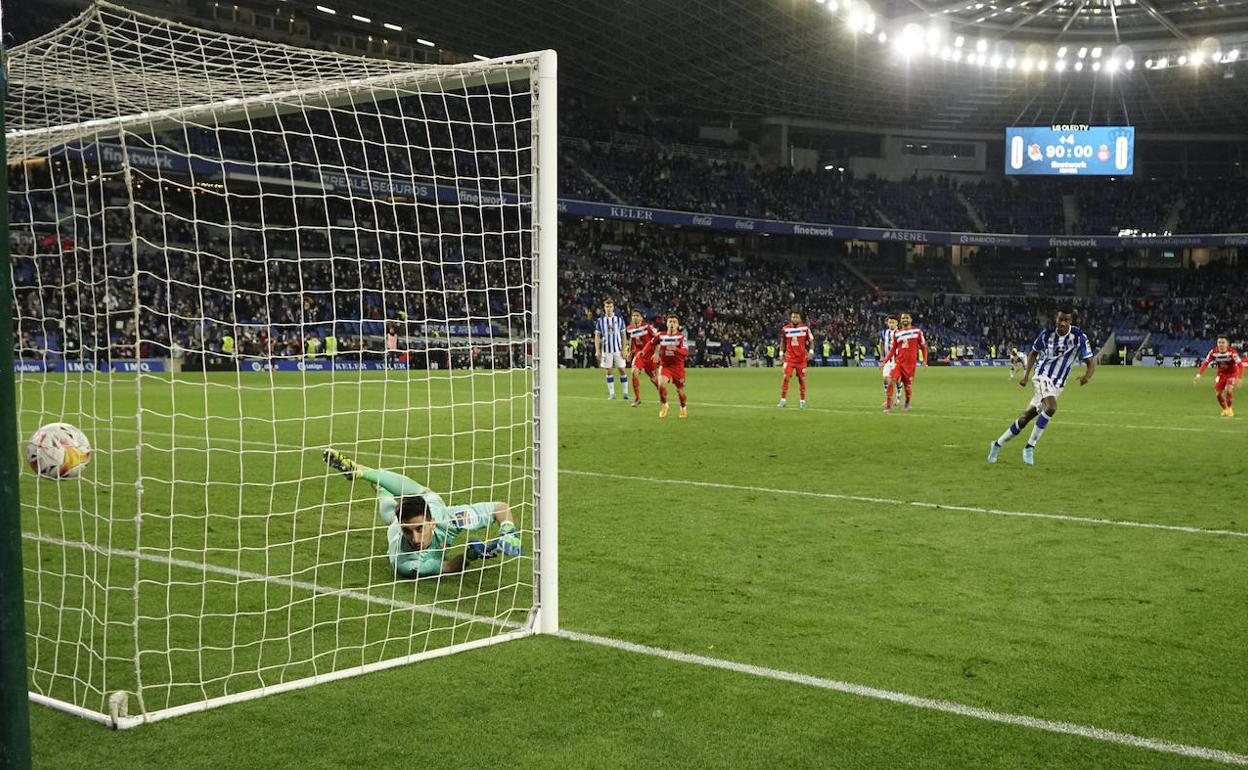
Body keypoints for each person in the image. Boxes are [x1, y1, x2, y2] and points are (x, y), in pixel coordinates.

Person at [320, 449, 521, 577]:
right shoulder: (407, 563)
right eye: (408, 531)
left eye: (419, 529)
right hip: (395, 522)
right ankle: (378, 487)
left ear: (432, 523)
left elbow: (500, 508)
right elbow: (448, 566)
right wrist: (468, 556)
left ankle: (363, 473)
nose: (415, 539)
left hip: (429, 501)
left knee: (419, 492)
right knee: (389, 511)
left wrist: (508, 530)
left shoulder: (448, 518)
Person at [988, 308, 1096, 466]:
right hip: (1042, 376)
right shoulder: (1046, 334)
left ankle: (997, 444)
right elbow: (1033, 353)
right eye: (1060, 320)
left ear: (1071, 322)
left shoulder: (1079, 337)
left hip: (1059, 384)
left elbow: (1090, 361)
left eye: (1066, 320)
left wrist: (1087, 376)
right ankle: (1029, 447)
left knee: (1026, 418)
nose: (1062, 323)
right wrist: (1026, 376)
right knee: (1051, 407)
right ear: (1056, 319)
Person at [880, 312, 929, 413]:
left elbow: (924, 347)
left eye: (906, 318)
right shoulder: (897, 334)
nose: (904, 320)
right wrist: (884, 361)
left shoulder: (917, 332)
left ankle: (907, 402)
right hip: (898, 363)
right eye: (903, 318)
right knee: (890, 380)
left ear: (911, 320)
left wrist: (924, 361)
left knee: (907, 386)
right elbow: (893, 349)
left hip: (910, 365)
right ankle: (888, 406)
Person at [642, 314, 688, 418]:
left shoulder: (681, 337)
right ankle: (664, 405)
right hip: (665, 365)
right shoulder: (661, 335)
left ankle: (683, 407)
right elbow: (650, 343)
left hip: (678, 367)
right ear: (667, 323)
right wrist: (643, 351)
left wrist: (676, 349)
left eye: (674, 322)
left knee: (680, 391)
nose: (672, 324)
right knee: (661, 384)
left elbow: (686, 352)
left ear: (678, 325)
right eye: (670, 321)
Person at [1193, 336, 1243, 417]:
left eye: (1223, 342)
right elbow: (1205, 363)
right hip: (1220, 375)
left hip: (1231, 374)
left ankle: (1230, 409)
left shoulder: (1232, 352)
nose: (1221, 344)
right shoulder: (1213, 352)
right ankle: (1225, 409)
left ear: (1227, 344)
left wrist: (1239, 378)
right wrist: (1198, 375)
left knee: (1228, 389)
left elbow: (1240, 365)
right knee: (1218, 394)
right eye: (1219, 342)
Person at [777, 312, 813, 408]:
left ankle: (802, 401)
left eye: (797, 317)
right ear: (790, 318)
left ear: (800, 318)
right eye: (793, 317)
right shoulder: (785, 329)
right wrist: (781, 353)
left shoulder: (805, 329)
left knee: (801, 379)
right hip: (789, 358)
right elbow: (782, 342)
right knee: (786, 377)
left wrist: (811, 352)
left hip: (801, 359)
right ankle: (783, 400)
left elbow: (811, 341)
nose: (795, 319)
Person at [594, 299, 628, 400]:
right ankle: (612, 394)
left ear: (613, 308)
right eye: (607, 307)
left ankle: (625, 394)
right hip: (606, 350)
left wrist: (624, 349)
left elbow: (623, 335)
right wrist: (597, 350)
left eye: (610, 307)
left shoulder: (619, 319)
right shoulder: (600, 321)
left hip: (618, 349)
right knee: (609, 371)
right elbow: (597, 336)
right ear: (604, 308)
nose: (609, 308)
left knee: (622, 369)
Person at [626, 309, 660, 407]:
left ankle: (662, 395)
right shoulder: (630, 328)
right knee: (634, 372)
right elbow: (632, 340)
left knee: (654, 379)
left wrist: (657, 353)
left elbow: (658, 338)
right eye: (633, 316)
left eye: (637, 315)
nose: (635, 317)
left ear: (641, 317)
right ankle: (637, 398)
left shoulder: (648, 327)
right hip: (639, 355)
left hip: (650, 356)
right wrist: (630, 352)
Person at [879, 316, 900, 407]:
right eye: (889, 322)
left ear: (897, 323)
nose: (891, 324)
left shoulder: (900, 333)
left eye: (893, 322)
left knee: (896, 380)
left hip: (897, 360)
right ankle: (889, 399)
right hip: (888, 360)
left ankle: (897, 399)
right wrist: (882, 355)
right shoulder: (884, 332)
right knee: (885, 380)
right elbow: (881, 343)